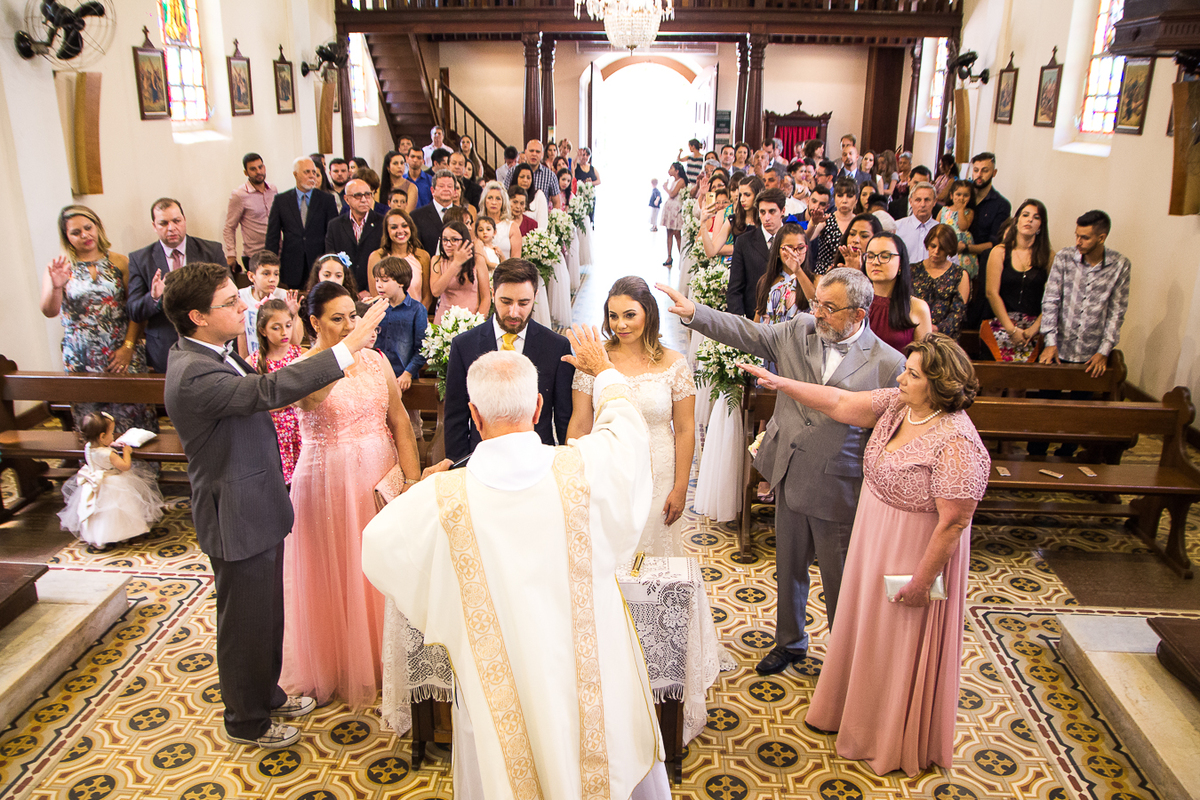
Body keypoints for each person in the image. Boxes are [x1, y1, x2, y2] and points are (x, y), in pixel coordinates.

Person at [362, 334, 669, 799]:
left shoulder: (442, 498)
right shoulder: (582, 470)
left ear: (475, 416)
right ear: (540, 407)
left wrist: (419, 492)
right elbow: (627, 436)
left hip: (496, 692)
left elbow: (379, 544)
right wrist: (602, 369)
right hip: (587, 677)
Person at [741, 334, 989, 777]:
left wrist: (920, 581)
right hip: (873, 539)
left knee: (893, 643)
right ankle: (848, 711)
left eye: (912, 374)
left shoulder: (958, 443)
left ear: (937, 383)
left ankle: (888, 735)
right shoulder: (899, 405)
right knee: (864, 631)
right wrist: (782, 383)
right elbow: (837, 402)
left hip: (911, 553)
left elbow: (953, 523)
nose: (901, 377)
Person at [162, 262, 387, 748]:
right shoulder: (194, 374)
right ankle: (248, 719)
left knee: (266, 613)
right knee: (243, 623)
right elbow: (266, 392)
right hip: (234, 512)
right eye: (229, 302)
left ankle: (268, 693)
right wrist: (345, 349)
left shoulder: (212, 353)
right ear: (198, 316)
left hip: (257, 502)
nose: (242, 305)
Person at [656, 269, 906, 676]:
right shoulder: (799, 331)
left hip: (839, 485)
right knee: (788, 567)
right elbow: (747, 332)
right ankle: (789, 642)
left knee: (839, 580)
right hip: (788, 471)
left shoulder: (888, 363)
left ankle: (845, 661)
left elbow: (888, 437)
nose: (818, 313)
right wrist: (694, 313)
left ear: (859, 314)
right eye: (817, 303)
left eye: (830, 307)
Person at [281, 280, 422, 707]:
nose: (348, 325)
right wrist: (343, 352)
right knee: (340, 568)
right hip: (329, 481)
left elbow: (399, 420)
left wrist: (412, 483)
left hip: (379, 473)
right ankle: (338, 662)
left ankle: (387, 657)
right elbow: (311, 400)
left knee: (384, 566)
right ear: (314, 323)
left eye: (352, 317)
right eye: (337, 319)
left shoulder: (377, 360)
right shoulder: (304, 366)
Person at [566, 277, 696, 556]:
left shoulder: (674, 364)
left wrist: (680, 488)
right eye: (613, 316)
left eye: (629, 315)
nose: (620, 325)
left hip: (659, 475)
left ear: (648, 313)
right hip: (609, 471)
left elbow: (685, 428)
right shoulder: (595, 360)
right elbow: (579, 422)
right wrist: (573, 477)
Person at [40, 205, 157, 436]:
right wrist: (56, 286)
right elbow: (49, 310)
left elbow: (135, 311)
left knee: (131, 413)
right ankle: (98, 467)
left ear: (98, 227)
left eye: (88, 228)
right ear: (67, 237)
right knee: (91, 418)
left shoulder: (120, 262)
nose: (84, 235)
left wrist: (128, 347)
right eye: (76, 232)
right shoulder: (60, 268)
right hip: (81, 356)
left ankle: (141, 466)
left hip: (120, 352)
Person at [444, 258, 574, 461]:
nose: (514, 312)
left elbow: (564, 418)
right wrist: (460, 468)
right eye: (506, 302)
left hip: (537, 462)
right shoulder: (464, 346)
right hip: (482, 463)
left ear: (535, 297)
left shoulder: (556, 347)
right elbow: (455, 419)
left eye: (524, 303)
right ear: (493, 293)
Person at [127, 198, 226, 373]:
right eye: (163, 223)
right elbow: (134, 311)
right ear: (154, 225)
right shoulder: (140, 259)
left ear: (184, 220)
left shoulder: (211, 251)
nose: (171, 228)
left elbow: (228, 296)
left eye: (176, 221)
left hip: (208, 342)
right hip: (164, 347)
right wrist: (154, 297)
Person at [58, 411, 164, 550]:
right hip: (113, 483)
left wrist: (112, 443)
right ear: (102, 436)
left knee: (100, 514)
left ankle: (100, 538)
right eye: (111, 433)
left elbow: (99, 453)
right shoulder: (109, 454)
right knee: (122, 511)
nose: (113, 435)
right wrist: (127, 452)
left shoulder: (89, 447)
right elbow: (125, 467)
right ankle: (127, 533)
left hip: (96, 483)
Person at [984, 199, 1051, 362]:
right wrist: (1011, 329)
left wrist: (1034, 329)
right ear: (1016, 221)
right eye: (1025, 215)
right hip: (1001, 323)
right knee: (994, 386)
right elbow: (991, 293)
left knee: (1020, 386)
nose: (1029, 220)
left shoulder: (1048, 256)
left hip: (1032, 329)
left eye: (1036, 217)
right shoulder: (999, 252)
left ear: (1041, 226)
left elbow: (1053, 299)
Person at [247, 299, 303, 485]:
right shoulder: (254, 361)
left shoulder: (299, 355)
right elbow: (253, 400)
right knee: (276, 482)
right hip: (273, 431)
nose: (284, 332)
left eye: (288, 326)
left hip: (299, 428)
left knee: (302, 481)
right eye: (276, 328)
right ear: (263, 331)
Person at [266, 157, 340, 290]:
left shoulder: (326, 200)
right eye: (307, 172)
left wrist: (332, 261)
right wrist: (269, 264)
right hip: (292, 264)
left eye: (314, 173)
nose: (312, 176)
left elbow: (333, 233)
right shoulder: (281, 200)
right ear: (295, 174)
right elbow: (272, 236)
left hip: (319, 263)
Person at [864, 233, 933, 350]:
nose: (875, 262)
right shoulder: (856, 302)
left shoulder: (918, 307)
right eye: (870, 256)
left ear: (900, 263)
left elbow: (924, 360)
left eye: (885, 256)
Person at [728, 187, 787, 318]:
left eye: (772, 212)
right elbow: (734, 288)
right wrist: (739, 323)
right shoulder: (744, 242)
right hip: (752, 317)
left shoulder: (793, 239)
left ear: (782, 211)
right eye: (762, 212)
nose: (766, 218)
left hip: (787, 318)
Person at [373, 256, 428, 391]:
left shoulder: (417, 309)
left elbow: (423, 348)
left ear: (401, 282)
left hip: (403, 379)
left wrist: (408, 373)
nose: (379, 285)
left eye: (385, 280)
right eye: (377, 280)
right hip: (376, 377)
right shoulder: (375, 307)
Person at [324, 178, 384, 296]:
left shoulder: (382, 223)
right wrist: (346, 289)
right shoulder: (335, 225)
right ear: (346, 199)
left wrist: (370, 288)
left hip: (374, 291)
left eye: (367, 195)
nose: (364, 200)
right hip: (343, 291)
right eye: (357, 196)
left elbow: (385, 259)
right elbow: (331, 258)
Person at [235, 251, 299, 359]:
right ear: (251, 276)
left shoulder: (284, 297)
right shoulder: (241, 296)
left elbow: (295, 342)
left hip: (279, 360)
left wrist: (293, 314)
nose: (272, 279)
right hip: (254, 359)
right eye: (266, 273)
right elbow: (241, 333)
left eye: (276, 274)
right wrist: (245, 364)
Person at [912, 225, 969, 340]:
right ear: (927, 244)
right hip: (914, 333)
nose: (936, 251)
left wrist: (936, 329)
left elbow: (958, 313)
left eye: (942, 248)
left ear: (949, 249)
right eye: (933, 246)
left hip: (945, 338)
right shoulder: (912, 270)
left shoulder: (959, 274)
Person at [224, 152, 278, 272]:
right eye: (253, 169)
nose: (258, 171)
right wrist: (231, 254)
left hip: (277, 252)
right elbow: (229, 227)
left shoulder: (273, 189)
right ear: (246, 172)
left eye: (260, 167)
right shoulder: (239, 195)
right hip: (255, 255)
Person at [367, 207, 431, 307]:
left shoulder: (423, 256)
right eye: (394, 227)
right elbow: (375, 296)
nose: (400, 231)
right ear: (387, 230)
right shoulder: (376, 257)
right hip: (386, 318)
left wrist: (417, 316)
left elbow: (427, 296)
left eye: (404, 226)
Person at [431, 220, 490, 324]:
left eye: (454, 240)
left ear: (465, 241)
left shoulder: (478, 260)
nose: (448, 244)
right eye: (445, 240)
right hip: (444, 322)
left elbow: (485, 299)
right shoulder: (437, 260)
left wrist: (476, 324)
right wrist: (455, 264)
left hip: (470, 320)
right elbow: (436, 291)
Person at [754, 223, 813, 323]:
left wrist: (797, 271)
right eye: (789, 248)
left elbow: (816, 303)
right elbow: (758, 316)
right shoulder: (766, 281)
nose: (795, 253)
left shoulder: (815, 280)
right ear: (778, 251)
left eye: (800, 248)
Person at [810, 179, 858, 275]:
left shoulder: (860, 222)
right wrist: (813, 223)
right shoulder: (826, 219)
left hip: (852, 274)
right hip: (824, 275)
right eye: (840, 195)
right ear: (835, 199)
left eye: (849, 196)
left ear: (856, 200)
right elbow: (807, 237)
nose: (844, 200)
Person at [410, 169, 459, 261]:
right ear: (432, 190)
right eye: (441, 186)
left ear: (455, 191)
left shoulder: (462, 214)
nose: (446, 189)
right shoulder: (416, 216)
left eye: (449, 186)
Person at [937, 179, 978, 277]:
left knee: (961, 274)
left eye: (965, 195)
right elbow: (936, 227)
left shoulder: (969, 212)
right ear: (951, 195)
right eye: (958, 194)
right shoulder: (944, 210)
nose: (961, 198)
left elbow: (963, 227)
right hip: (946, 244)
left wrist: (960, 209)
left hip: (961, 247)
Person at [894, 182, 938, 264]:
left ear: (934, 202)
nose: (922, 204)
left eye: (927, 200)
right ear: (910, 201)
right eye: (918, 200)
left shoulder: (941, 230)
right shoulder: (897, 228)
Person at [480, 180, 522, 261]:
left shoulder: (512, 227)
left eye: (498, 199)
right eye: (490, 198)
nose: (494, 202)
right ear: (485, 201)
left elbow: (516, 261)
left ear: (503, 202)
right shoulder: (477, 225)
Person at [660, 163, 687, 266]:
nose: (669, 170)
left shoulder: (681, 181)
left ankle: (682, 258)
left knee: (676, 234)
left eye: (671, 168)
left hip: (676, 210)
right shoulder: (674, 181)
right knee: (669, 234)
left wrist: (665, 188)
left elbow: (672, 194)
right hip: (670, 210)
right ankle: (669, 256)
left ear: (677, 170)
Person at [379, 150, 417, 215]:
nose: (399, 166)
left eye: (402, 163)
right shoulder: (380, 187)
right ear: (388, 167)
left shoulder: (411, 187)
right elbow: (377, 210)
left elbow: (407, 213)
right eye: (395, 163)